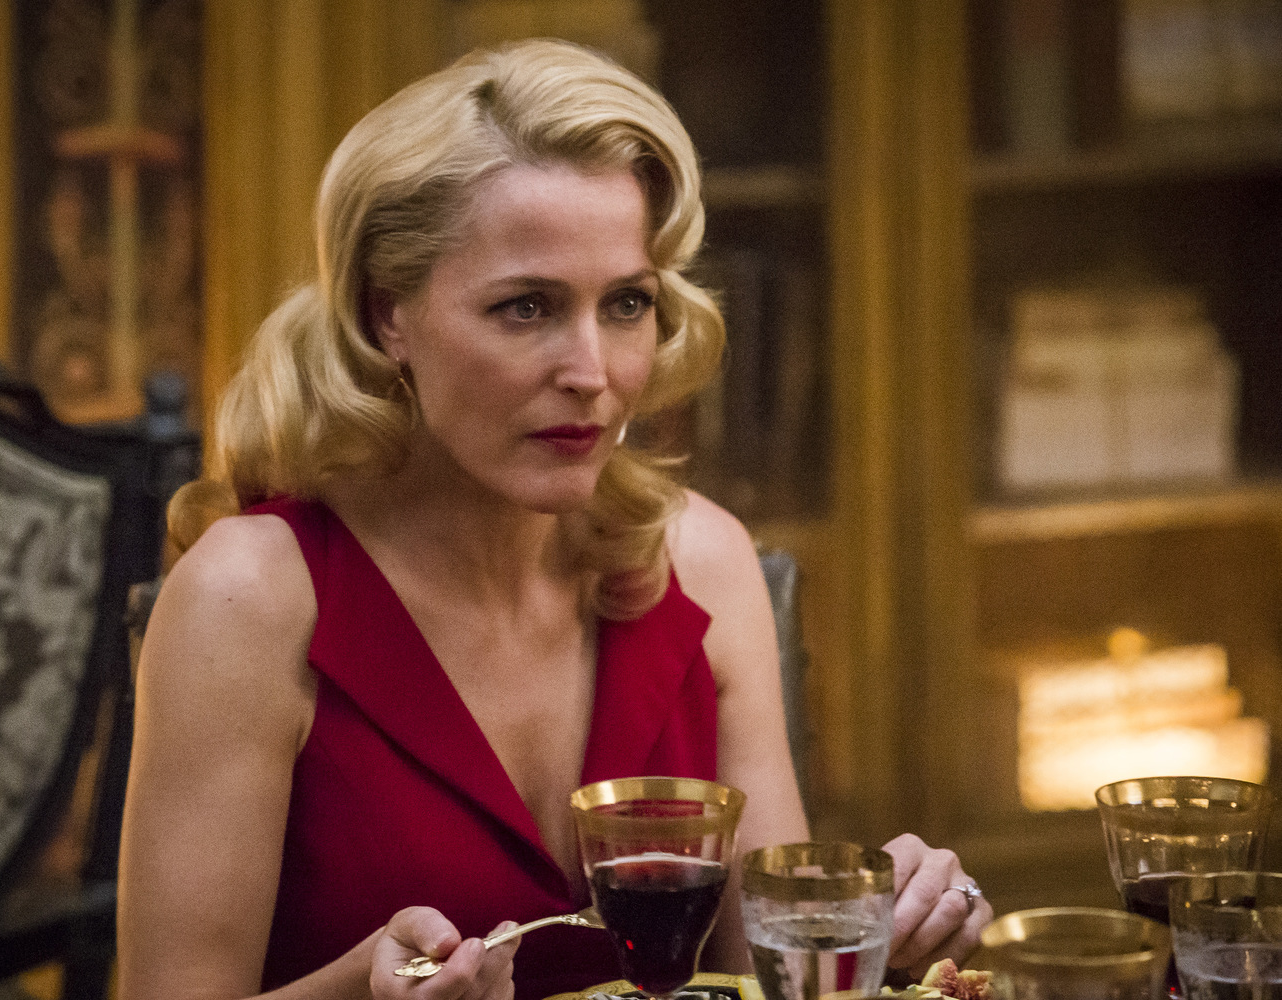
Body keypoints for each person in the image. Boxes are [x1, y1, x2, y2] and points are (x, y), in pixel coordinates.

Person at [116, 38, 992, 1000]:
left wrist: (880, 935)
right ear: (385, 316)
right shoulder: (249, 599)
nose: (592, 371)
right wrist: (354, 992)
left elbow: (765, 977)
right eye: (526, 307)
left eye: (626, 304)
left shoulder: (702, 561)